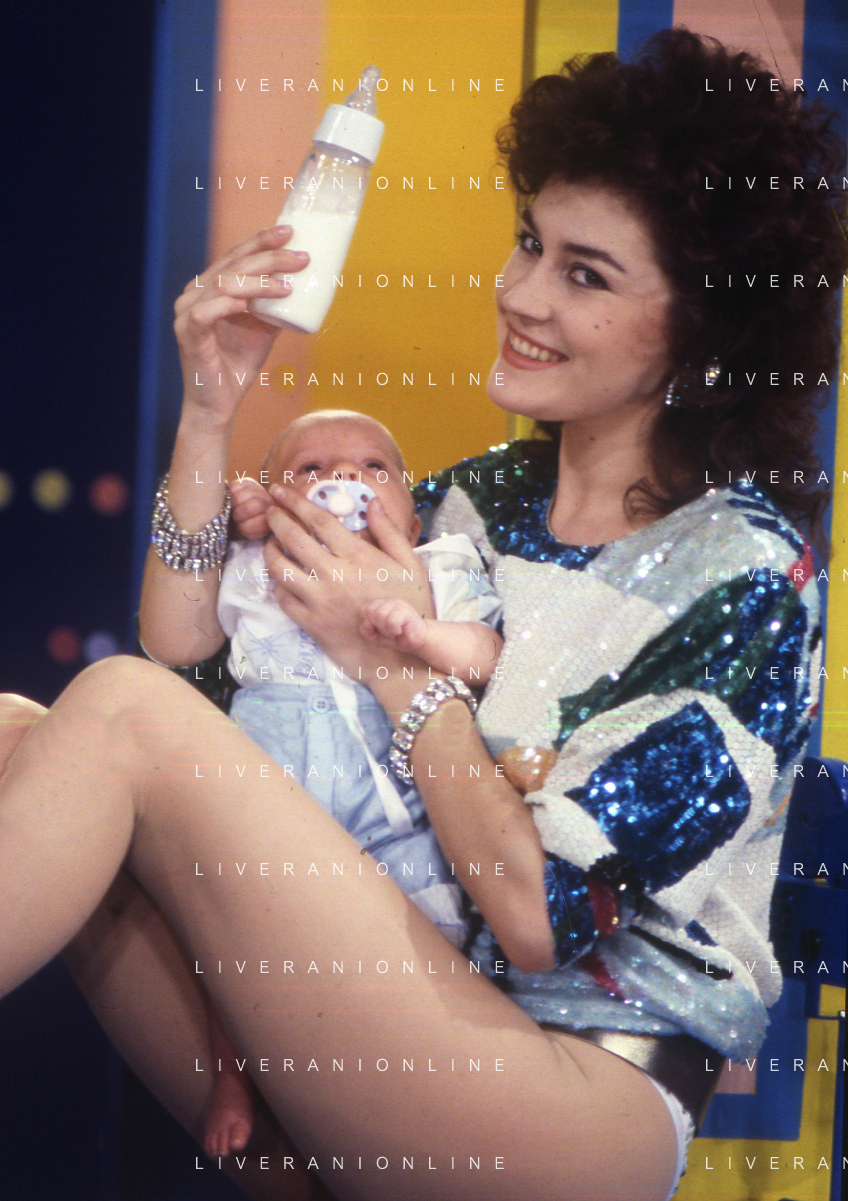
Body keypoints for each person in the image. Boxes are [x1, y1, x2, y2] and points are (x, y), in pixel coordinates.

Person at [2, 29, 845, 1201]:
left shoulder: (744, 577)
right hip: (406, 1003)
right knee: (23, 733)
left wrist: (396, 660)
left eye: (584, 275)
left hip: (573, 1095)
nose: (519, 294)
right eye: (529, 242)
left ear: (703, 332)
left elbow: (537, 912)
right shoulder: (474, 502)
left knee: (117, 717)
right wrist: (208, 412)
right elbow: (199, 672)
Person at [170, 406, 503, 1156]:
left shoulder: (436, 565)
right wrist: (236, 519)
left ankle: (417, 1076)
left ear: (411, 519)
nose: (344, 477)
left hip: (393, 803)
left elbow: (485, 652)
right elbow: (179, 611)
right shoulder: (256, 562)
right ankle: (234, 1073)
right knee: (232, 937)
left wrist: (424, 633)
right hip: (269, 786)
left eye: (373, 467)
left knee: (428, 930)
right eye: (310, 470)